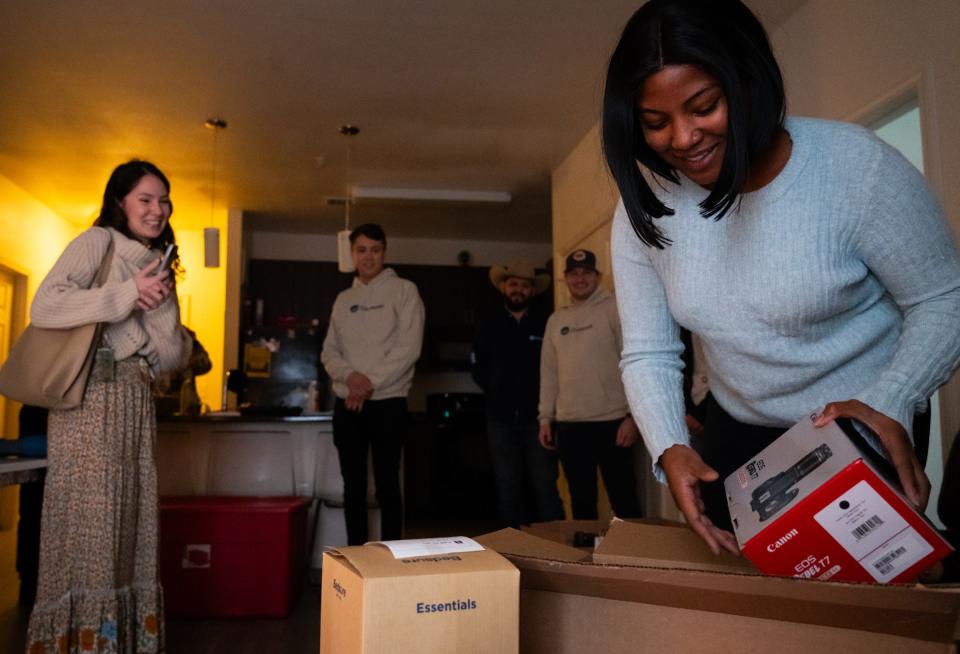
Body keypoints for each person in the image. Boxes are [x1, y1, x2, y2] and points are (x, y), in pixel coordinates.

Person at [603, 0, 960, 555]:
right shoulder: (646, 208)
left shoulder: (855, 170)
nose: (682, 138)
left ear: (748, 81)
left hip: (864, 414)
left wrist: (897, 395)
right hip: (737, 426)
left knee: (860, 601)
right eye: (655, 122)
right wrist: (669, 444)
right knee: (754, 594)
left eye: (704, 107)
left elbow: (945, 298)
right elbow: (649, 351)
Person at [25, 160, 191, 652]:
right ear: (120, 201)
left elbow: (170, 356)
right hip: (91, 397)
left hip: (136, 402)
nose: (157, 210)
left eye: (163, 201)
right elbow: (44, 306)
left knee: (129, 530)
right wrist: (125, 295)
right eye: (146, 199)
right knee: (91, 528)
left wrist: (157, 308)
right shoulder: (96, 242)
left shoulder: (157, 260)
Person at [321, 223, 424, 545]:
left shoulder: (404, 290)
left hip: (388, 404)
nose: (368, 257)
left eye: (375, 250)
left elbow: (408, 349)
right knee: (352, 487)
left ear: (384, 253)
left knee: (387, 486)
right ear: (352, 254)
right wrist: (350, 378)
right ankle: (357, 558)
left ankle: (393, 559)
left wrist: (366, 385)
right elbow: (329, 351)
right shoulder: (343, 299)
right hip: (347, 406)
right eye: (362, 250)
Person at [538, 249, 643, 520]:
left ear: (598, 276)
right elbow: (549, 373)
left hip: (613, 423)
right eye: (573, 273)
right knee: (581, 503)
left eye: (586, 273)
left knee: (624, 501)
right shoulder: (556, 320)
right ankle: (584, 559)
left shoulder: (616, 310)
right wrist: (545, 418)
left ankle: (633, 560)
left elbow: (635, 364)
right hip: (570, 425)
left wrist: (633, 416)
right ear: (565, 279)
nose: (580, 279)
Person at [471, 262, 564, 528]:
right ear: (503, 287)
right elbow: (477, 367)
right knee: (507, 485)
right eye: (513, 284)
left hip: (538, 419)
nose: (518, 290)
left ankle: (555, 547)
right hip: (499, 419)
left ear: (532, 290)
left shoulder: (546, 323)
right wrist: (498, 391)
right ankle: (514, 551)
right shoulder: (489, 324)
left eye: (524, 285)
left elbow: (555, 368)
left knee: (545, 484)